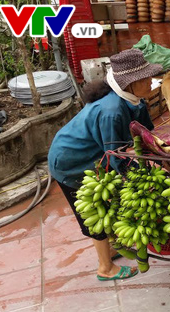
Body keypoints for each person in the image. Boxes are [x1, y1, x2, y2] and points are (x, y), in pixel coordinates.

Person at [48, 49, 162, 281]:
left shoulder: (133, 100)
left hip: (94, 155)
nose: (152, 81)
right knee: (95, 211)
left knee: (111, 201)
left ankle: (108, 247)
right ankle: (105, 268)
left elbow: (147, 133)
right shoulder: (111, 111)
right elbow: (115, 156)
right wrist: (144, 179)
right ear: (131, 83)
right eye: (147, 78)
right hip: (71, 162)